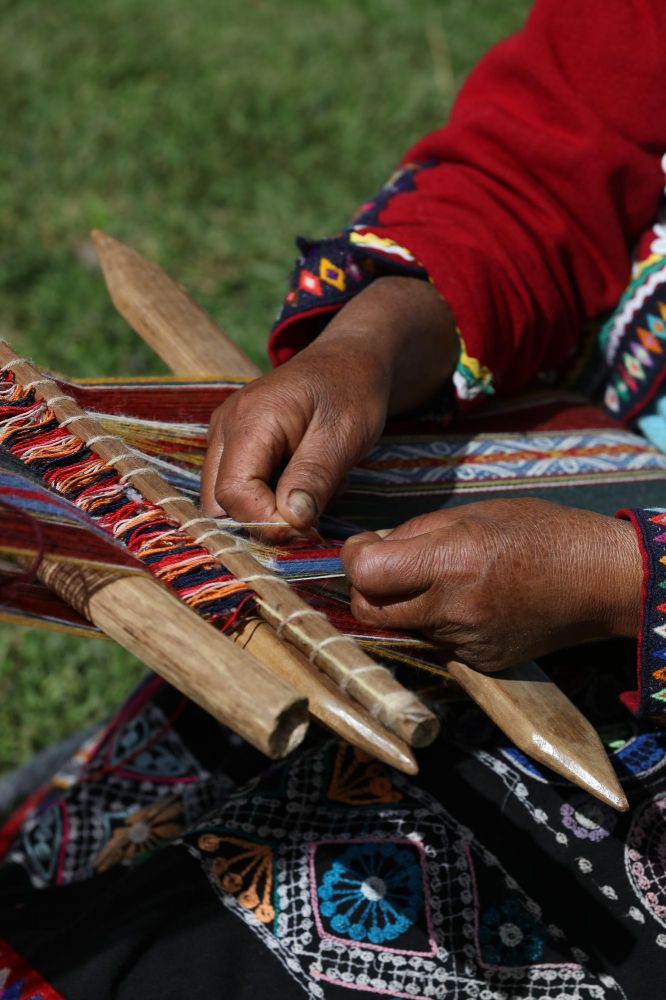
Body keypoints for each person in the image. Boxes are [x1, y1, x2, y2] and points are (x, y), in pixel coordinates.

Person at [2, 1, 666, 997]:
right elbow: (552, 163)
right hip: (554, 487)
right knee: (95, 866)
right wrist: (376, 337)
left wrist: (620, 579)